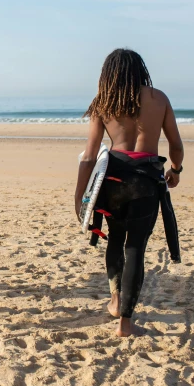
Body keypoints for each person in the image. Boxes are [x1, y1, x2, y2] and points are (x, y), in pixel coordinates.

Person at [75, 48, 184, 337]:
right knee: (135, 248)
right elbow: (175, 144)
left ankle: (114, 298)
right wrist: (176, 169)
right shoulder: (159, 98)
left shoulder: (104, 102)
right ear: (140, 70)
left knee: (115, 240)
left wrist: (80, 196)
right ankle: (125, 322)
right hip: (146, 183)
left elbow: (88, 156)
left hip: (112, 181)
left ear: (109, 73)